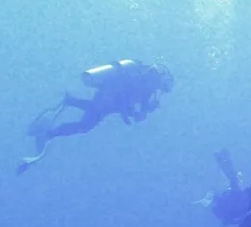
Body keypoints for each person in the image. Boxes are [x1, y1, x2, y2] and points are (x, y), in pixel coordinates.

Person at [16, 59, 174, 175]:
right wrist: (131, 113)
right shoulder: (145, 84)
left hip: (109, 98)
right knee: (88, 122)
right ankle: (51, 132)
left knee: (93, 114)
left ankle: (68, 103)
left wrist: (143, 110)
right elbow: (129, 103)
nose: (159, 90)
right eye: (163, 87)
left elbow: (138, 111)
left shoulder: (146, 84)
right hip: (110, 97)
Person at [196, 149, 251, 226]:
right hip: (234, 205)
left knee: (233, 180)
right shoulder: (243, 199)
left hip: (234, 205)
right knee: (233, 180)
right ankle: (223, 159)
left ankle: (223, 159)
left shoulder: (241, 198)